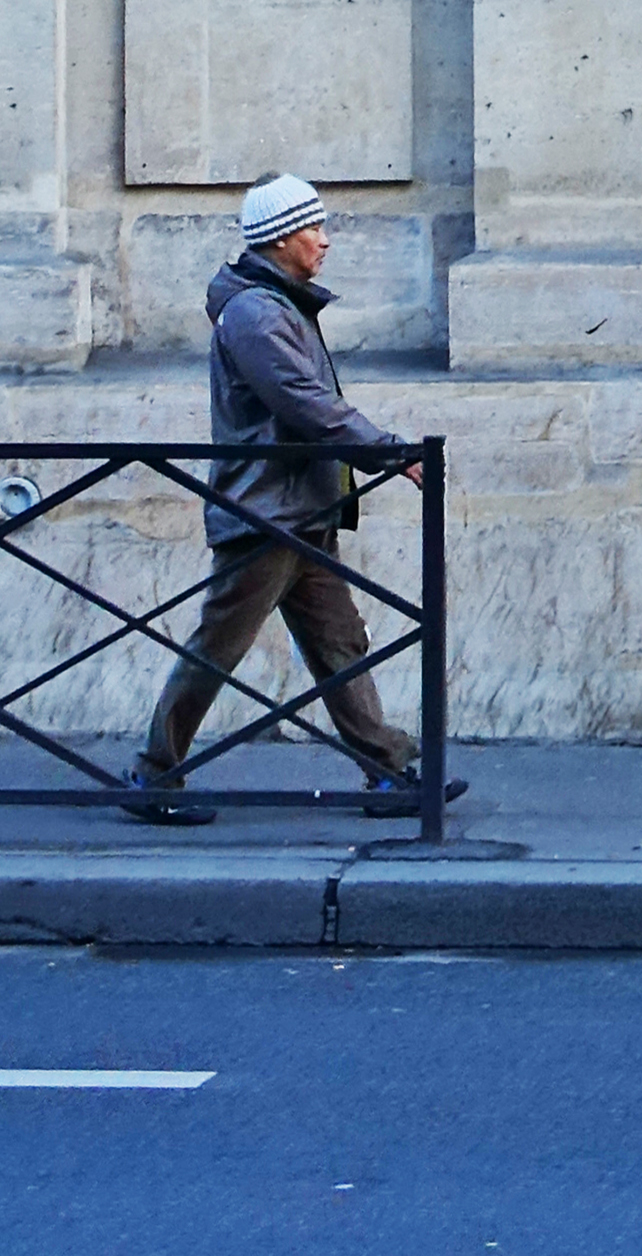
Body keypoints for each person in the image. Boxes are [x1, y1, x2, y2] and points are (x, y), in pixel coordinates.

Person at [122, 176, 462, 826]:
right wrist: (390, 452)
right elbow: (306, 406)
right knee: (218, 646)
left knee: (340, 642)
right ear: (281, 238)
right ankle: (153, 772)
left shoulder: (278, 304)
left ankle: (387, 773)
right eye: (315, 228)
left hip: (298, 511)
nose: (326, 240)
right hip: (267, 516)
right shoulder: (256, 313)